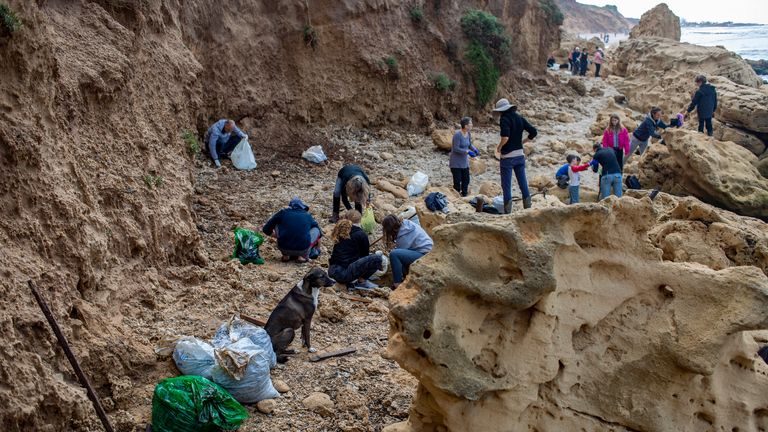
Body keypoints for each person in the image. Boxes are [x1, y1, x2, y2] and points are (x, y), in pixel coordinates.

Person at [492, 98, 537, 213]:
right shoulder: (519, 117)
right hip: (520, 156)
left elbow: (505, 137)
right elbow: (533, 132)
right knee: (523, 182)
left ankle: (508, 213)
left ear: (501, 110)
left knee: (506, 185)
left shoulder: (504, 119)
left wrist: (499, 147)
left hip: (507, 158)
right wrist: (523, 141)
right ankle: (528, 209)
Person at [328, 210, 383, 291]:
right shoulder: (361, 234)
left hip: (332, 270)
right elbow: (365, 255)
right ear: (360, 220)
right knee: (377, 258)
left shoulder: (341, 230)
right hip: (344, 275)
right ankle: (362, 281)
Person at [262, 197, 322, 263]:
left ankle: (286, 256)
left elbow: (266, 229)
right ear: (302, 207)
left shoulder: (282, 213)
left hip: (283, 248)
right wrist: (318, 249)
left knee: (277, 224)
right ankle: (302, 257)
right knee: (316, 229)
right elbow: (319, 232)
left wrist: (277, 236)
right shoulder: (307, 215)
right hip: (303, 249)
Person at [382, 215, 433, 289]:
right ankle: (405, 278)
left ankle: (397, 283)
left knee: (394, 255)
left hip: (424, 254)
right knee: (398, 258)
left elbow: (398, 255)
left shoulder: (402, 235)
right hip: (425, 250)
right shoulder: (407, 224)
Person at [449, 117, 479, 197]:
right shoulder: (457, 135)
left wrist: (474, 149)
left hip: (464, 161)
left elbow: (469, 144)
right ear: (465, 126)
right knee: (457, 181)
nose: (472, 125)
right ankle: (456, 196)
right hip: (456, 162)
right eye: (470, 123)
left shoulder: (468, 133)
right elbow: (455, 148)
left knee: (466, 180)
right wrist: (467, 151)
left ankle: (464, 196)